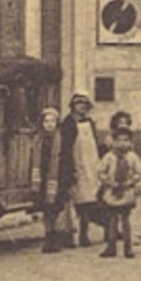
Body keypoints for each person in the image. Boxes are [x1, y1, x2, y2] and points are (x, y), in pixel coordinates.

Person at [59, 91, 104, 247]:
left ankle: (84, 235)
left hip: (90, 167)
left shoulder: (90, 123)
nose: (82, 108)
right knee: (72, 204)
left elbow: (94, 145)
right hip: (74, 167)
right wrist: (69, 171)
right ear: (73, 107)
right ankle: (69, 236)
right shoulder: (67, 125)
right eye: (79, 104)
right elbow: (64, 150)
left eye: (85, 105)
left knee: (89, 202)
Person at [96, 112, 141, 259]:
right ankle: (111, 246)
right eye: (119, 140)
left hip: (126, 192)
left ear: (130, 142)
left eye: (126, 140)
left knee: (125, 220)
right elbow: (100, 171)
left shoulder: (132, 157)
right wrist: (108, 182)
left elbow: (139, 173)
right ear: (113, 142)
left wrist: (131, 182)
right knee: (111, 220)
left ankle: (128, 247)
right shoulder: (109, 157)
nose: (122, 144)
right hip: (112, 191)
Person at [34, 106, 71, 253]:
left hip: (57, 178)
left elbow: (66, 160)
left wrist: (65, 178)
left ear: (57, 123)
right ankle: (48, 237)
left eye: (52, 121)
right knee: (46, 209)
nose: (49, 124)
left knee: (56, 208)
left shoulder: (61, 140)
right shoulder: (38, 140)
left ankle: (56, 238)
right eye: (46, 121)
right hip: (43, 178)